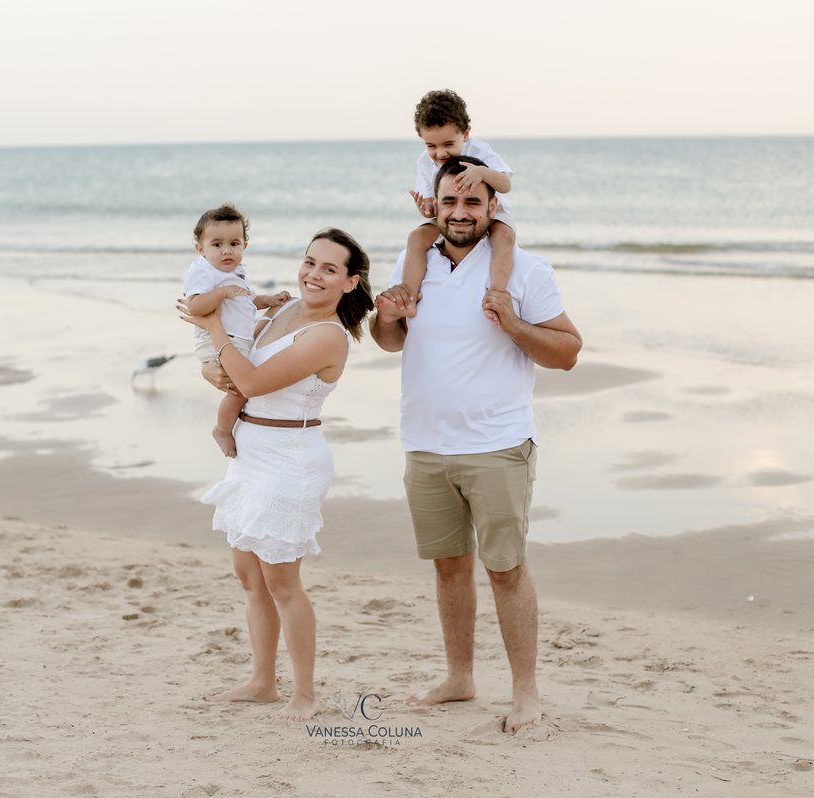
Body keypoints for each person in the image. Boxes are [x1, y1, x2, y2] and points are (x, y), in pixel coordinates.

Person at [370, 156, 582, 735]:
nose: (459, 212)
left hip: (497, 444)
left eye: (471, 201)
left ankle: (525, 693)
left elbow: (568, 352)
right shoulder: (415, 263)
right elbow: (391, 340)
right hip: (424, 443)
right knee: (448, 567)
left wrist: (514, 324)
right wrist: (385, 319)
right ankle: (459, 678)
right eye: (449, 202)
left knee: (506, 569)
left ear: (492, 206)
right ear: (435, 207)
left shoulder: (523, 270)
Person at [181, 228, 375, 722]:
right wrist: (211, 369)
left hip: (291, 460)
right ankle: (262, 682)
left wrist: (212, 325)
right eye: (310, 262)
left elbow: (249, 379)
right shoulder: (282, 311)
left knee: (283, 583)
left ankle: (304, 693)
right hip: (250, 452)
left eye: (329, 269)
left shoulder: (327, 335)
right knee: (249, 576)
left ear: (350, 282)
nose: (314, 274)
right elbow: (233, 368)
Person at [182, 204, 291, 458]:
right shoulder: (202, 271)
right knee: (240, 388)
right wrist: (222, 293)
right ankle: (222, 429)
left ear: (244, 245)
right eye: (217, 244)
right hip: (215, 340)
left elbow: (247, 300)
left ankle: (243, 423)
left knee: (247, 385)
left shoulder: (237, 272)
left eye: (234, 243)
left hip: (237, 340)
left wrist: (269, 300)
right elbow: (195, 307)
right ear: (201, 249)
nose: (226, 250)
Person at [402, 89, 516, 324]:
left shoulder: (480, 151)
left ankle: (496, 293)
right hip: (449, 213)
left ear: (465, 134)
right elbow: (431, 205)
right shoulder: (425, 162)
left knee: (504, 236)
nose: (440, 153)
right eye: (431, 145)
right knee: (416, 237)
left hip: (489, 211)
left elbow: (505, 185)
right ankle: (408, 297)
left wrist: (482, 172)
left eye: (448, 144)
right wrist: (426, 209)